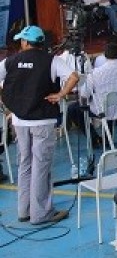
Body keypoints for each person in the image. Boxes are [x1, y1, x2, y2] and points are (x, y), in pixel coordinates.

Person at [0, 26, 79, 223]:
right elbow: (74, 76)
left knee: (25, 164)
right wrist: (61, 95)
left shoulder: (10, 61)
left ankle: (24, 210)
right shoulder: (52, 60)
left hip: (19, 120)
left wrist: (5, 102)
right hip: (43, 120)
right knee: (41, 165)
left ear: (26, 42)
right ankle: (41, 213)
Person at [77, 43, 117, 147]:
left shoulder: (95, 73)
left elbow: (84, 95)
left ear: (104, 55)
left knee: (74, 109)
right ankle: (107, 135)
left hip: (102, 111)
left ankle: (95, 139)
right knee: (111, 103)